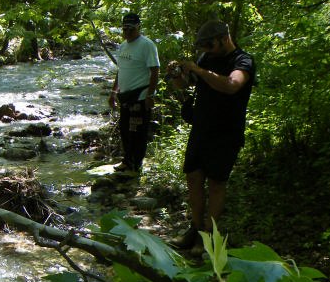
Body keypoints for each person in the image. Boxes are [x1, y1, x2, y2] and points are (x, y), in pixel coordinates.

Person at [167, 20, 255, 250]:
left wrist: (198, 70)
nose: (206, 50)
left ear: (224, 39)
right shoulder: (206, 59)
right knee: (194, 177)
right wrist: (177, 76)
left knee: (216, 183)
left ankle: (208, 236)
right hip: (201, 128)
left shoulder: (242, 60)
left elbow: (231, 85)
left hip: (226, 132)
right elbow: (184, 86)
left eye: (209, 45)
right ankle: (195, 229)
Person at [109, 13, 160, 174]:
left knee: (138, 131)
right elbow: (121, 70)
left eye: (131, 29)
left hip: (140, 95)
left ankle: (136, 164)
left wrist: (150, 95)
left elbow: (155, 70)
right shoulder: (123, 46)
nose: (127, 32)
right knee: (125, 129)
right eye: (124, 29)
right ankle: (127, 160)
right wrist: (113, 91)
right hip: (125, 96)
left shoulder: (147, 45)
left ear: (138, 27)